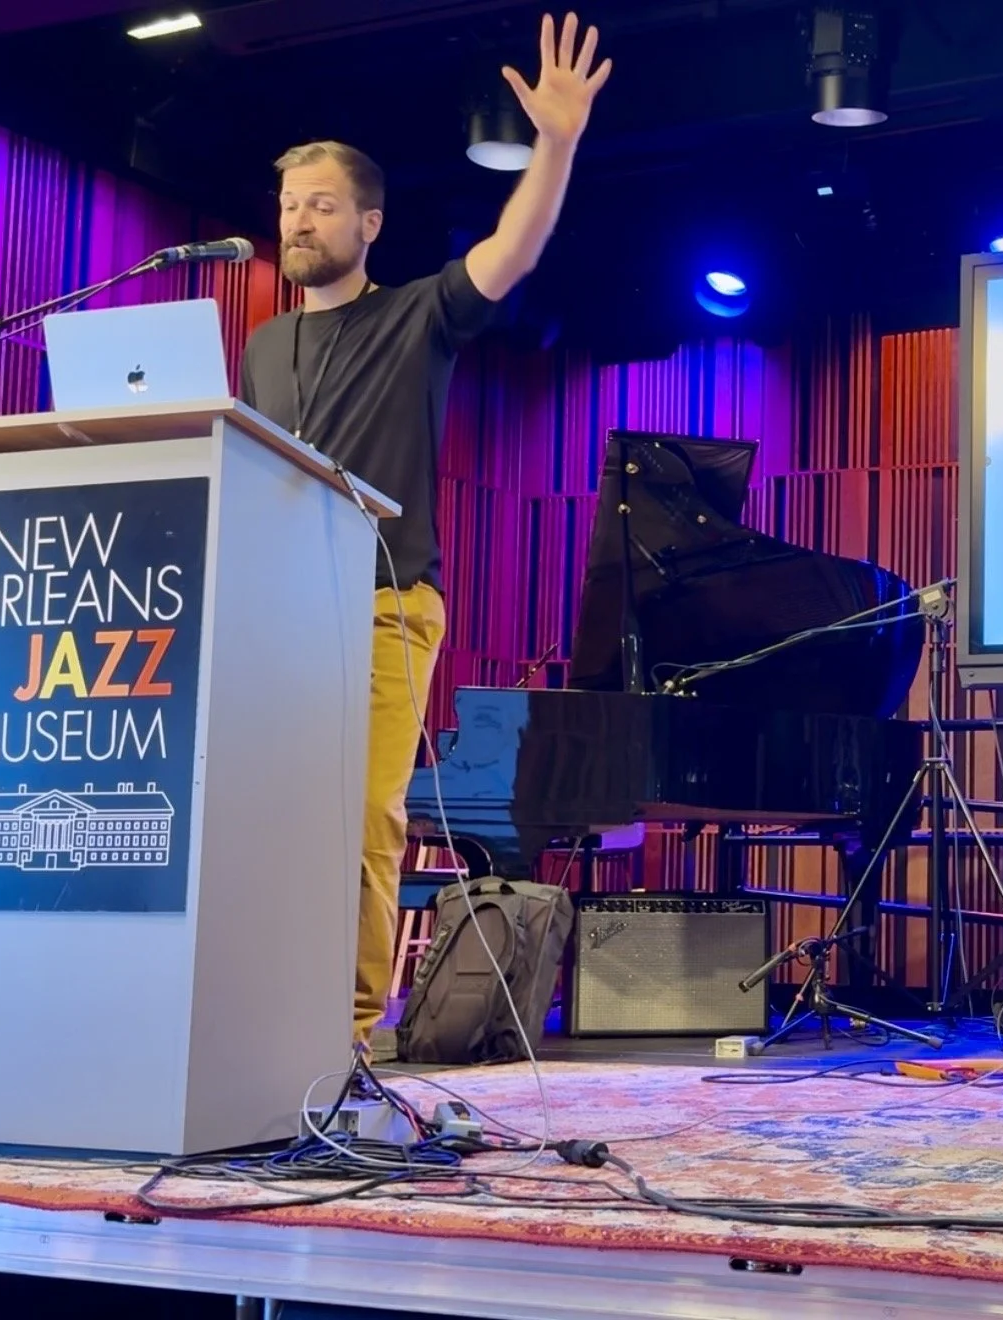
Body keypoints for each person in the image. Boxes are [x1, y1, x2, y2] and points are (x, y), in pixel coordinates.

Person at [238, 13, 612, 1050]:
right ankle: (263, 1010)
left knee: (362, 818)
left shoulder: (417, 316)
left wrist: (559, 142)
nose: (297, 221)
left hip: (381, 601)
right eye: (287, 205)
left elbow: (511, 248)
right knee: (272, 821)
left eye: (320, 206)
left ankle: (351, 1030)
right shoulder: (263, 348)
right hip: (275, 615)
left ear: (368, 225)